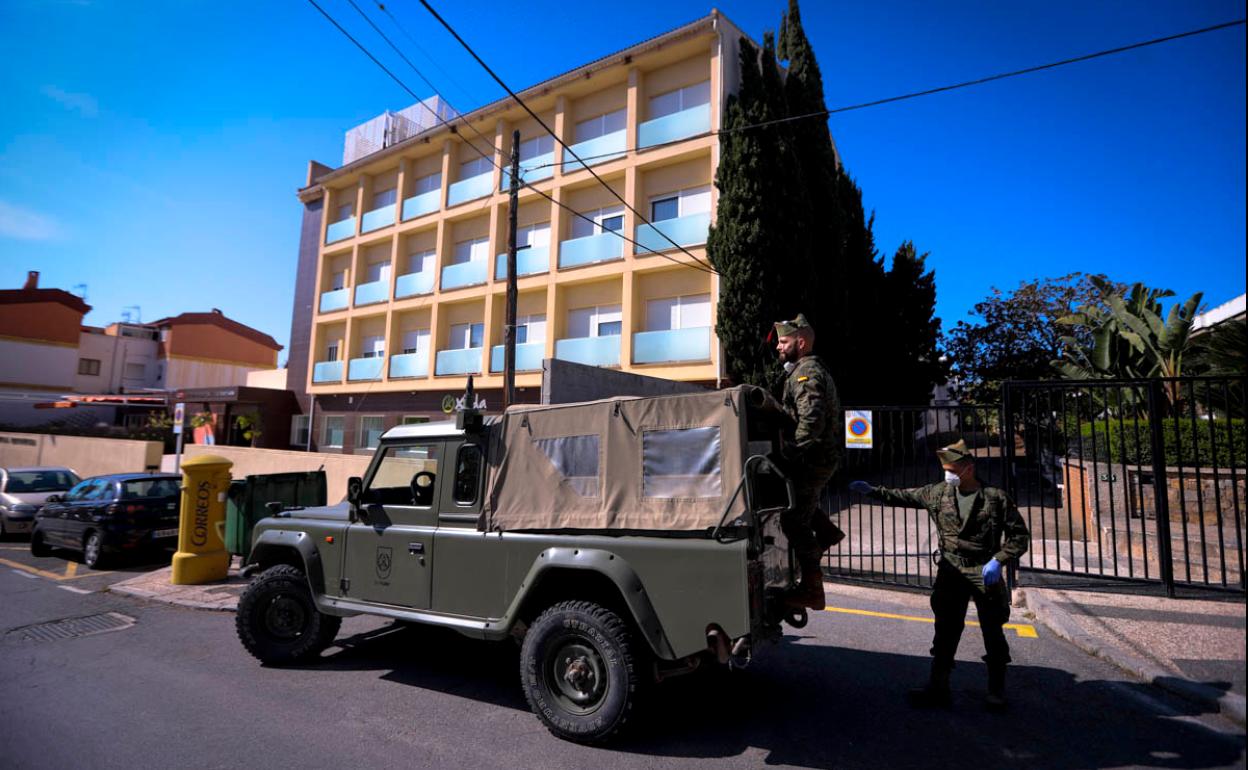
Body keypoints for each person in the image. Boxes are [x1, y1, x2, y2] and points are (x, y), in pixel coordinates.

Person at [849, 440, 1030, 710]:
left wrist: (998, 560)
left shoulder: (995, 498)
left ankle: (996, 691)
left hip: (984, 571)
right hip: (951, 571)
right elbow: (903, 496)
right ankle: (938, 688)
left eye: (952, 469)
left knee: (992, 631)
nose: (948, 474)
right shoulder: (938, 493)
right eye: (946, 469)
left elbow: (1019, 538)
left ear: (968, 468)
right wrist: (872, 491)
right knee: (945, 630)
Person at [773, 314, 844, 611]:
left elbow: (811, 421)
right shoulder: (805, 369)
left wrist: (789, 453)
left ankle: (813, 591)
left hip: (812, 458)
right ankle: (827, 533)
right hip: (818, 457)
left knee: (792, 520)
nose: (778, 347)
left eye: (784, 341)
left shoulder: (807, 372)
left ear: (800, 343)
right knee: (801, 502)